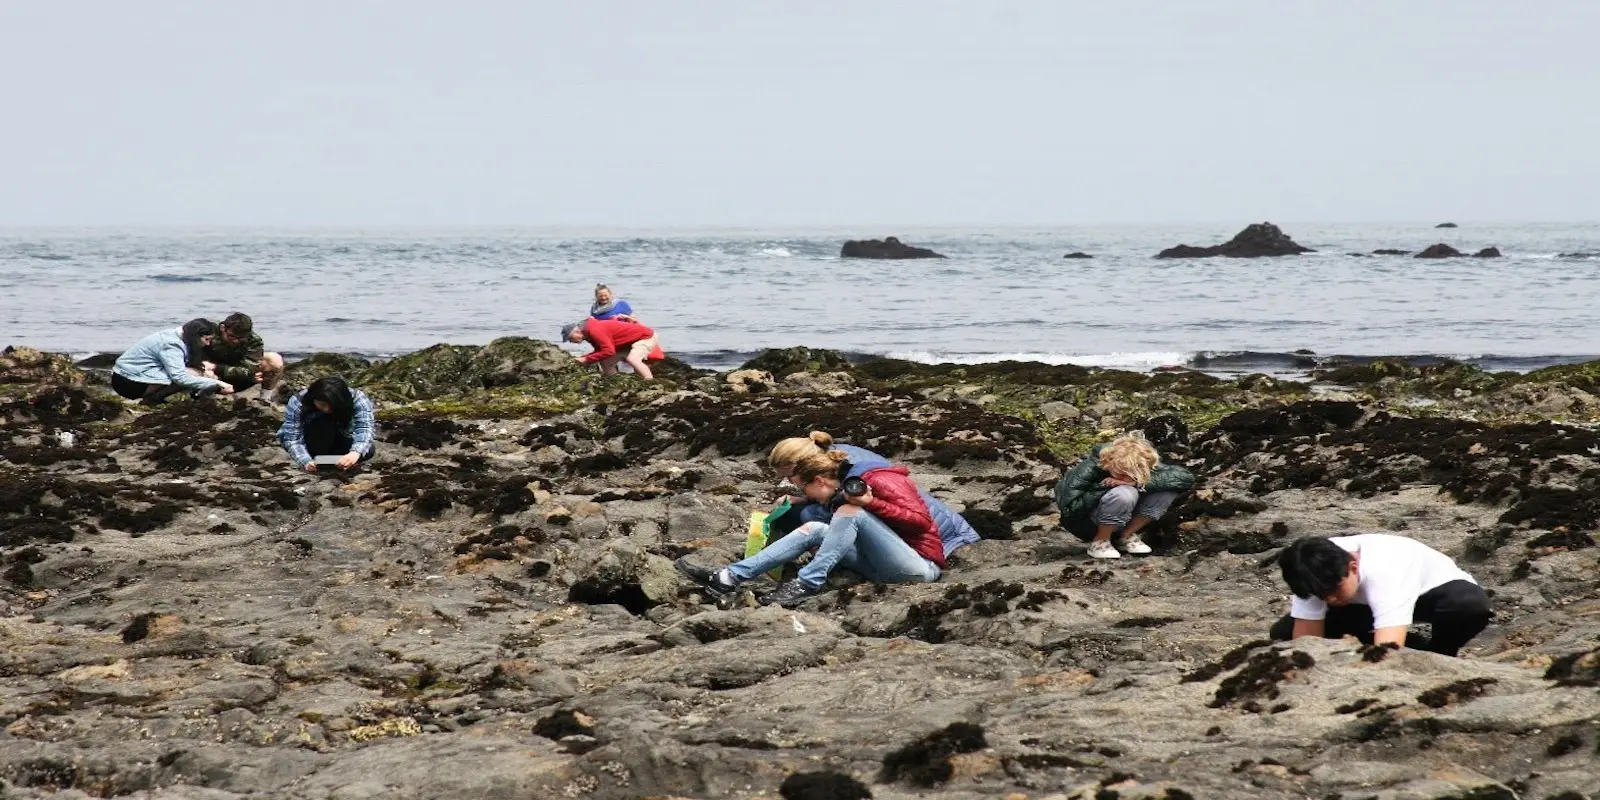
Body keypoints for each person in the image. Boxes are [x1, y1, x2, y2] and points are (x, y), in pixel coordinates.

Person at [677, 446, 945, 608]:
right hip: (879, 565)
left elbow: (921, 523)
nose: (808, 495)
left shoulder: (882, 481)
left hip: (919, 568)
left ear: (820, 480)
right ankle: (728, 578)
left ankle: (807, 583)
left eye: (805, 489)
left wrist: (871, 503)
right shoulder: (840, 490)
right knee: (816, 527)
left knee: (851, 511)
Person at [765, 431, 981, 557]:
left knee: (811, 516)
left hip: (949, 541)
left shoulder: (860, 476)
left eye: (791, 476)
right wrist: (805, 497)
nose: (788, 482)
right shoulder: (836, 456)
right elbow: (830, 493)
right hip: (935, 529)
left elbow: (918, 521)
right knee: (806, 511)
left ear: (809, 470)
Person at [1271, 534, 1491, 657]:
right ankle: (1414, 645)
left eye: (1334, 590)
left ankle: (1439, 653)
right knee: (1283, 633)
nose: (1330, 600)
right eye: (1321, 595)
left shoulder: (1386, 568)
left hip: (1432, 595)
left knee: (1469, 606)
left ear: (1353, 566)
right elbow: (1307, 644)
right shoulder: (1309, 569)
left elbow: (1387, 652)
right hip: (1361, 606)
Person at [1053, 432, 1194, 559]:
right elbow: (1069, 508)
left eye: (1132, 474)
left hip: (1124, 518)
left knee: (1165, 492)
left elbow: (1185, 478)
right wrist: (1104, 487)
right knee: (1125, 492)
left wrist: (1137, 483)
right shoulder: (1091, 466)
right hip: (1087, 523)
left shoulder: (1140, 460)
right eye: (1121, 473)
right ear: (1110, 463)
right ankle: (1100, 541)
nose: (1125, 477)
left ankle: (1126, 536)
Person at [111, 319, 233, 405]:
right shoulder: (172, 344)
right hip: (128, 382)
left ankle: (154, 397)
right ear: (195, 336)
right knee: (193, 374)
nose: (208, 344)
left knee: (201, 372)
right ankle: (153, 399)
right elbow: (180, 377)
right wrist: (217, 383)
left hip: (131, 375)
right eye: (206, 339)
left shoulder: (178, 336)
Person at [277, 376, 376, 472]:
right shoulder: (298, 401)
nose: (327, 409)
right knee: (323, 421)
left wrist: (355, 453)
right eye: (322, 405)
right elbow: (292, 437)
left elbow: (365, 427)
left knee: (368, 450)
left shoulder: (357, 398)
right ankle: (320, 460)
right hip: (314, 439)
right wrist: (305, 461)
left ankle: (335, 461)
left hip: (342, 436)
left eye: (333, 406)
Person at [202, 312, 283, 393]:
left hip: (237, 374)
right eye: (232, 336)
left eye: (241, 338)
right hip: (210, 375)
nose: (236, 341)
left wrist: (216, 367)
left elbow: (248, 371)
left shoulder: (253, 340)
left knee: (273, 360)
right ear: (222, 328)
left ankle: (264, 399)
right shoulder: (208, 333)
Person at [562, 317, 661, 380]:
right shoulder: (588, 334)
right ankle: (616, 382)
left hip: (645, 337)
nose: (571, 342)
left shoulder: (594, 330)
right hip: (626, 344)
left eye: (570, 338)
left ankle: (650, 382)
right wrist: (584, 358)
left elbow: (609, 351)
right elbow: (600, 351)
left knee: (633, 359)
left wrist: (586, 359)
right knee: (605, 362)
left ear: (577, 332)